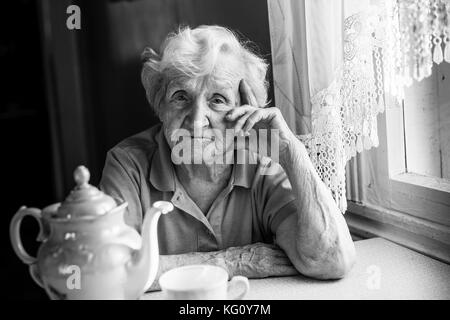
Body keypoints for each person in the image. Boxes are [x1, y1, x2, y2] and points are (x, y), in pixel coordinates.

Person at [99, 25, 356, 290]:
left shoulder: (263, 165)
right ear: (160, 106)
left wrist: (292, 154)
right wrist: (232, 261)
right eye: (180, 97)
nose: (197, 121)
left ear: (245, 109)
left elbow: (330, 260)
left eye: (218, 100)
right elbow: (110, 274)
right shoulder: (127, 165)